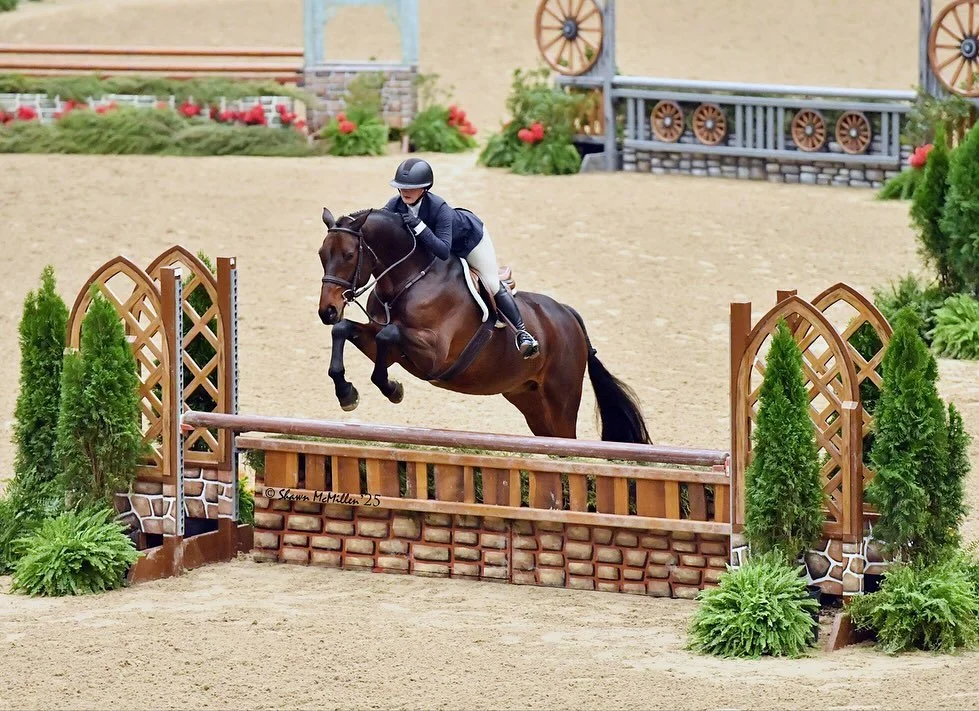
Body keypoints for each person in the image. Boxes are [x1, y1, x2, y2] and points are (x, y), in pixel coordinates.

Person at [382, 158, 540, 360]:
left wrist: (418, 225)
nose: (405, 191)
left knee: (490, 282)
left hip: (470, 241)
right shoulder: (395, 204)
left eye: (412, 187)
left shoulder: (440, 208)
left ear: (425, 188)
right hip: (436, 244)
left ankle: (522, 333)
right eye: (401, 186)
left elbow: (443, 251)